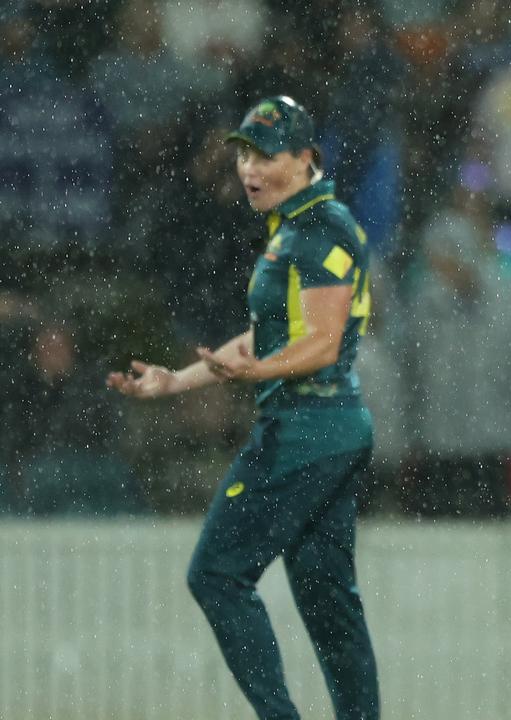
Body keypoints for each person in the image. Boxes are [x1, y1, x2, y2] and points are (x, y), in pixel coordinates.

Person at [106, 96, 379, 720]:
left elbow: (322, 342)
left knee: (218, 576)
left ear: (306, 158)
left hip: (306, 430)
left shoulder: (321, 229)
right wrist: (178, 381)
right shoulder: (297, 227)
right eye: (244, 155)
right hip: (329, 427)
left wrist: (259, 373)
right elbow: (273, 336)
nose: (250, 170)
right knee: (327, 600)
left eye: (267, 156)